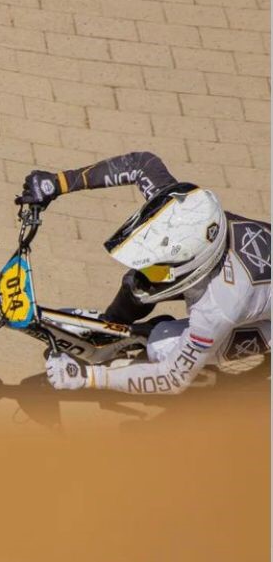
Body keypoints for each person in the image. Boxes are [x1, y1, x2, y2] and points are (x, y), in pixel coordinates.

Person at [15, 152, 270, 394]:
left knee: (161, 346)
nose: (151, 272)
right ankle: (109, 332)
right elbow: (141, 163)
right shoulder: (186, 211)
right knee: (137, 285)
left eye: (162, 267)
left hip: (257, 315)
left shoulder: (216, 310)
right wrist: (58, 183)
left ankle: (163, 346)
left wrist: (88, 378)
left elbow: (172, 379)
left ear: (194, 268)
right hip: (239, 282)